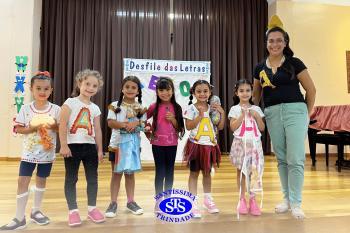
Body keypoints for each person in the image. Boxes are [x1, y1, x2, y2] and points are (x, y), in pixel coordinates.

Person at [252, 21, 316, 219]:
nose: (275, 44)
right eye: (271, 41)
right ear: (266, 43)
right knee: (281, 159)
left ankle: (296, 202)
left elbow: (311, 90)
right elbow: (256, 96)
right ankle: (287, 199)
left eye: (279, 40)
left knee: (295, 158)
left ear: (286, 42)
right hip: (271, 113)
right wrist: (247, 110)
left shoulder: (294, 63)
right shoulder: (260, 67)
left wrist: (306, 114)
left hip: (295, 111)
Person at [0, 71, 60, 230]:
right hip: (29, 154)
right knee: (22, 181)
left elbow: (61, 129)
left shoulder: (56, 109)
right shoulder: (26, 109)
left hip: (47, 154)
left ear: (51, 90)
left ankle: (36, 211)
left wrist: (54, 125)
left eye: (46, 89)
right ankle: (19, 217)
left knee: (41, 180)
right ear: (31, 89)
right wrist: (32, 128)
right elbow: (18, 129)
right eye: (38, 88)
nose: (42, 92)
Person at [59, 69, 105, 226]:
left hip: (90, 147)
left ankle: (92, 209)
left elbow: (97, 129)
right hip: (72, 146)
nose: (90, 88)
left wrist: (99, 149)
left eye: (94, 85)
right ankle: (73, 211)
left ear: (97, 89)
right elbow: (62, 124)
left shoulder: (95, 108)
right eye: (87, 84)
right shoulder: (69, 102)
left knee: (93, 178)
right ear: (79, 83)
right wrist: (64, 145)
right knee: (71, 178)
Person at [183, 79, 225, 218]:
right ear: (193, 93)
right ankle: (193, 202)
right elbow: (188, 126)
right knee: (194, 173)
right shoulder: (191, 108)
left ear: (210, 92)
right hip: (196, 145)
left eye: (205, 91)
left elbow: (220, 127)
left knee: (207, 173)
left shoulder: (213, 108)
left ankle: (208, 200)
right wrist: (200, 116)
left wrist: (222, 113)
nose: (202, 94)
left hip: (210, 146)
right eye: (199, 91)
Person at [105, 76, 146, 218]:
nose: (130, 90)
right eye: (127, 87)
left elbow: (143, 125)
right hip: (117, 146)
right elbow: (110, 122)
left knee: (130, 174)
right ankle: (113, 202)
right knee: (116, 174)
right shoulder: (115, 105)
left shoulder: (141, 108)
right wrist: (124, 125)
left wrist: (136, 124)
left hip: (133, 147)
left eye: (134, 87)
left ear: (138, 91)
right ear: (122, 89)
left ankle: (130, 201)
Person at [146, 77, 185, 209]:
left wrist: (173, 120)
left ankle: (167, 199)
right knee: (160, 172)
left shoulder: (177, 107)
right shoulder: (154, 106)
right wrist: (148, 131)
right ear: (157, 92)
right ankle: (158, 199)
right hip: (157, 145)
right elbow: (141, 119)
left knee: (169, 172)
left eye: (167, 89)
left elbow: (180, 128)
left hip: (172, 144)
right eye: (161, 90)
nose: (165, 93)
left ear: (172, 91)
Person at [228, 79, 265, 217]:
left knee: (254, 172)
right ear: (236, 93)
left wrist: (256, 117)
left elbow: (261, 128)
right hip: (240, 144)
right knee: (242, 172)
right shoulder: (234, 109)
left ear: (252, 92)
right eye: (241, 91)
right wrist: (242, 116)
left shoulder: (256, 109)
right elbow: (232, 127)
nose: (245, 93)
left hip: (254, 145)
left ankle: (253, 199)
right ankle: (242, 199)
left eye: (248, 90)